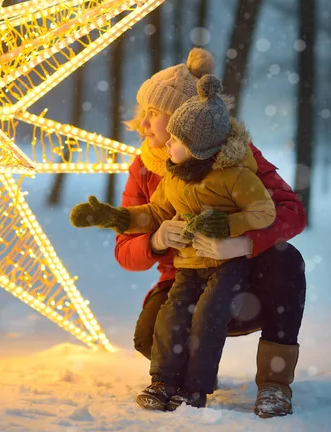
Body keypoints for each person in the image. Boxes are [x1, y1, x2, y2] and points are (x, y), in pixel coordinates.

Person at [112, 48, 305, 418]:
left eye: (155, 113)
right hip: (183, 279)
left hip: (241, 284)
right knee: (146, 337)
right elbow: (124, 251)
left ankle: (275, 385)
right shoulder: (144, 168)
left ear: (188, 117)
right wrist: (155, 240)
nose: (143, 123)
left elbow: (291, 213)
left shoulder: (237, 156)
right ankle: (176, 378)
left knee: (287, 261)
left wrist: (242, 243)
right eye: (145, 112)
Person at [71, 73, 277, 411]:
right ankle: (163, 381)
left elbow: (266, 212)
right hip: (186, 269)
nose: (150, 130)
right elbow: (152, 212)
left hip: (227, 268)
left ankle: (196, 388)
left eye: (174, 138)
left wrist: (229, 229)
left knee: (208, 315)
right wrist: (114, 217)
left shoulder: (237, 175)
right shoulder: (173, 177)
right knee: (171, 316)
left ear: (196, 142)